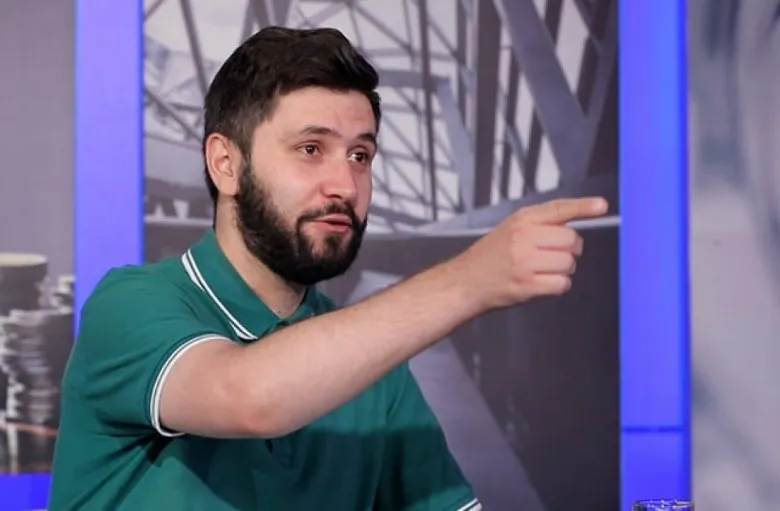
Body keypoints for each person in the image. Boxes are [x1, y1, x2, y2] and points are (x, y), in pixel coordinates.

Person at [48, 26, 607, 510]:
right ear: (225, 164)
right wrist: (470, 280)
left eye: (360, 155)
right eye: (311, 149)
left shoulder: (375, 372)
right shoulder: (128, 305)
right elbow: (248, 396)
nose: (345, 185)